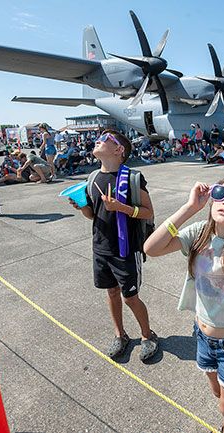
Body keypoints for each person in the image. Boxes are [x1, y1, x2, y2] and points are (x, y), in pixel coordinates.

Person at [144, 172, 224, 433]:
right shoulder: (199, 234)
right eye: (221, 193)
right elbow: (151, 248)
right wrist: (190, 207)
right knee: (218, 393)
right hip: (201, 335)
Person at [68, 129, 159, 361]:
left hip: (125, 248)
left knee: (130, 297)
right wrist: (81, 207)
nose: (99, 140)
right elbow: (93, 215)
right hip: (100, 247)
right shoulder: (92, 179)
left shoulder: (131, 177)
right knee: (111, 292)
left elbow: (148, 212)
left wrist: (122, 207)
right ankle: (120, 334)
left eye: (106, 139)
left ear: (119, 150)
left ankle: (148, 335)